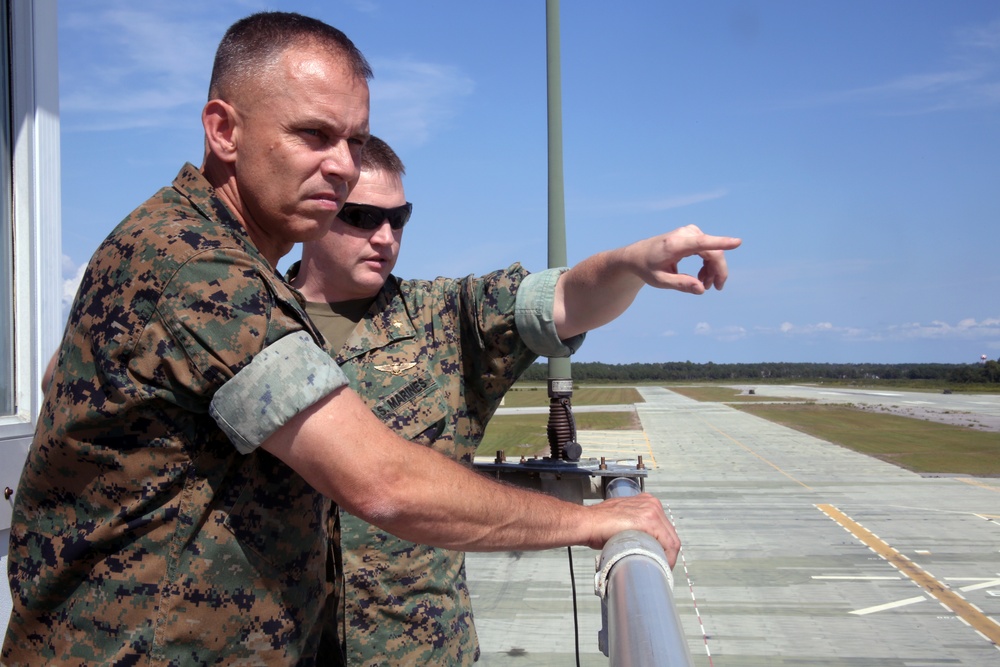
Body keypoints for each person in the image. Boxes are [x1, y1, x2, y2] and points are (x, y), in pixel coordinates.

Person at [3, 12, 686, 667]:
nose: (341, 164)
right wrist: (594, 520)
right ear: (223, 130)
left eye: (355, 141)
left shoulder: (187, 251)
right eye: (313, 135)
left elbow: (60, 380)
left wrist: (628, 265)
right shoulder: (195, 266)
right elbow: (384, 483)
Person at [287, 136, 741, 665]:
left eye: (399, 218)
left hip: (417, 653)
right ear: (317, 213)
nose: (385, 237)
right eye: (363, 217)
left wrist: (630, 263)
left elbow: (563, 300)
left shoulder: (441, 320)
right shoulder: (247, 322)